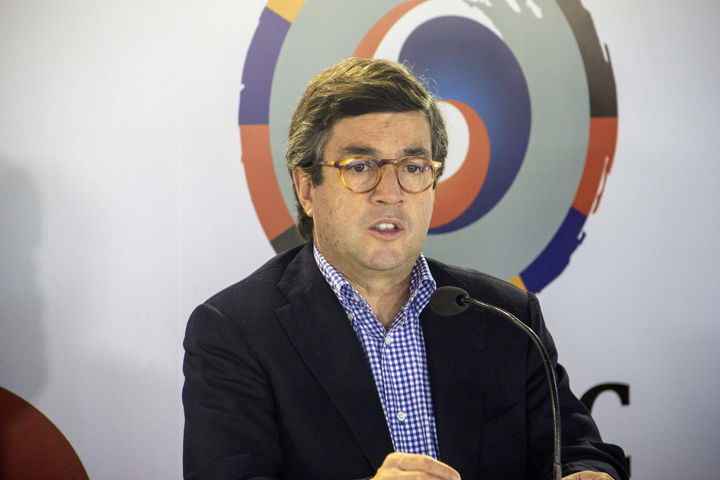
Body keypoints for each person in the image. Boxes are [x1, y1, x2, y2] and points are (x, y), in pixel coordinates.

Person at [182, 57, 628, 480]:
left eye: (413, 167)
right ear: (306, 189)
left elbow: (576, 448)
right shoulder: (235, 331)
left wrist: (587, 472)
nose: (390, 192)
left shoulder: (506, 316)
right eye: (360, 166)